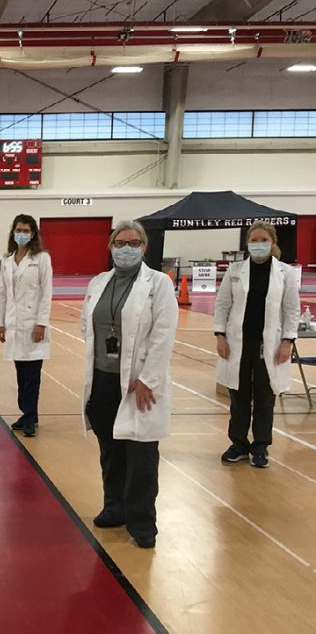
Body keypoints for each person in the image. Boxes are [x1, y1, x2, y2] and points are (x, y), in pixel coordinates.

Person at [80, 220, 178, 549]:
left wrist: (148, 378)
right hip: (104, 378)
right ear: (110, 247)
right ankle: (114, 507)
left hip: (139, 383)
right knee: (110, 448)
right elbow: (87, 324)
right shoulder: (98, 282)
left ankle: (142, 522)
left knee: (141, 454)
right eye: (121, 242)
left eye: (134, 243)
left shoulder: (159, 284)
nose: (127, 248)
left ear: (144, 247)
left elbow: (164, 334)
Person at [215, 221, 299, 469]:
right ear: (248, 243)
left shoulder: (285, 273)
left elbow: (292, 310)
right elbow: (222, 305)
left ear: (272, 243)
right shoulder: (235, 271)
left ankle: (260, 445)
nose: (258, 244)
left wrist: (287, 341)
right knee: (238, 395)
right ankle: (239, 443)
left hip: (270, 346)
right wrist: (220, 335)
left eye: (264, 240)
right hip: (238, 344)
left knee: (264, 397)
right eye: (254, 240)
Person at [0, 214, 53, 438]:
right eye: (19, 230)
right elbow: (2, 294)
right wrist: (0, 323)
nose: (22, 234)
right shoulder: (7, 260)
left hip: (33, 325)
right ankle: (29, 413)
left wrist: (41, 323)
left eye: (26, 231)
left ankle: (29, 416)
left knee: (32, 375)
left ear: (33, 234)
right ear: (13, 232)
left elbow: (47, 293)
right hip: (13, 325)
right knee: (21, 374)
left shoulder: (42, 259)